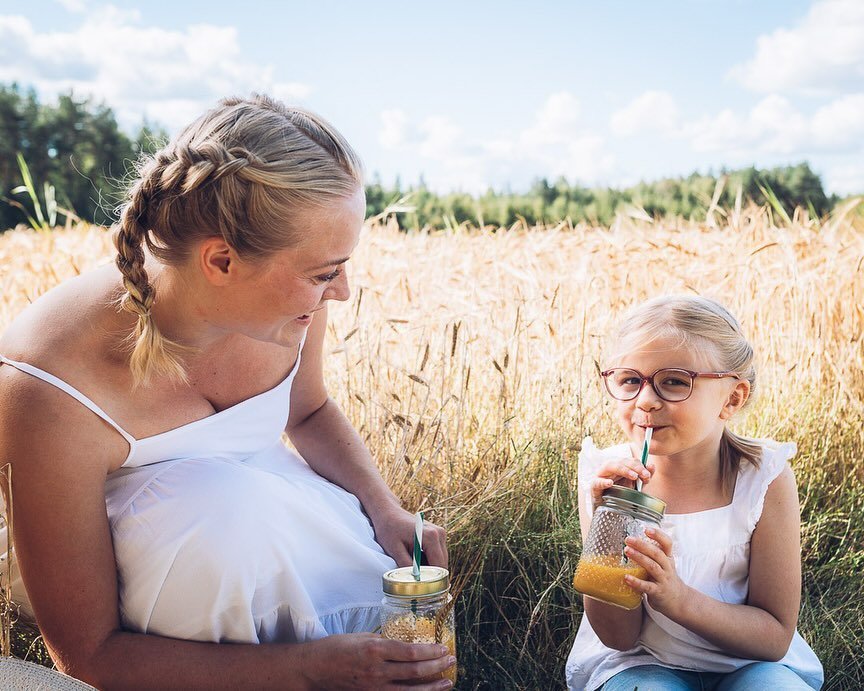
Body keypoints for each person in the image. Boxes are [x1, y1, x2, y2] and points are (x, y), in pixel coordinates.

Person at [0, 94, 456, 689]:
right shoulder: (47, 386)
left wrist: (383, 506)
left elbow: (308, 408)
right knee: (223, 513)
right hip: (172, 582)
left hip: (275, 514)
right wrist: (306, 670)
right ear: (220, 260)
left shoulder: (287, 298)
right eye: (325, 273)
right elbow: (89, 654)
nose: (340, 291)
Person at [565, 295, 823, 690]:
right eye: (630, 380)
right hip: (641, 663)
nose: (646, 400)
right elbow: (618, 637)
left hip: (749, 662)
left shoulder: (763, 479)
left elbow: (774, 638)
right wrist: (610, 523)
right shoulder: (607, 481)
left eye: (674, 381)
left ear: (732, 398)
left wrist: (678, 599)